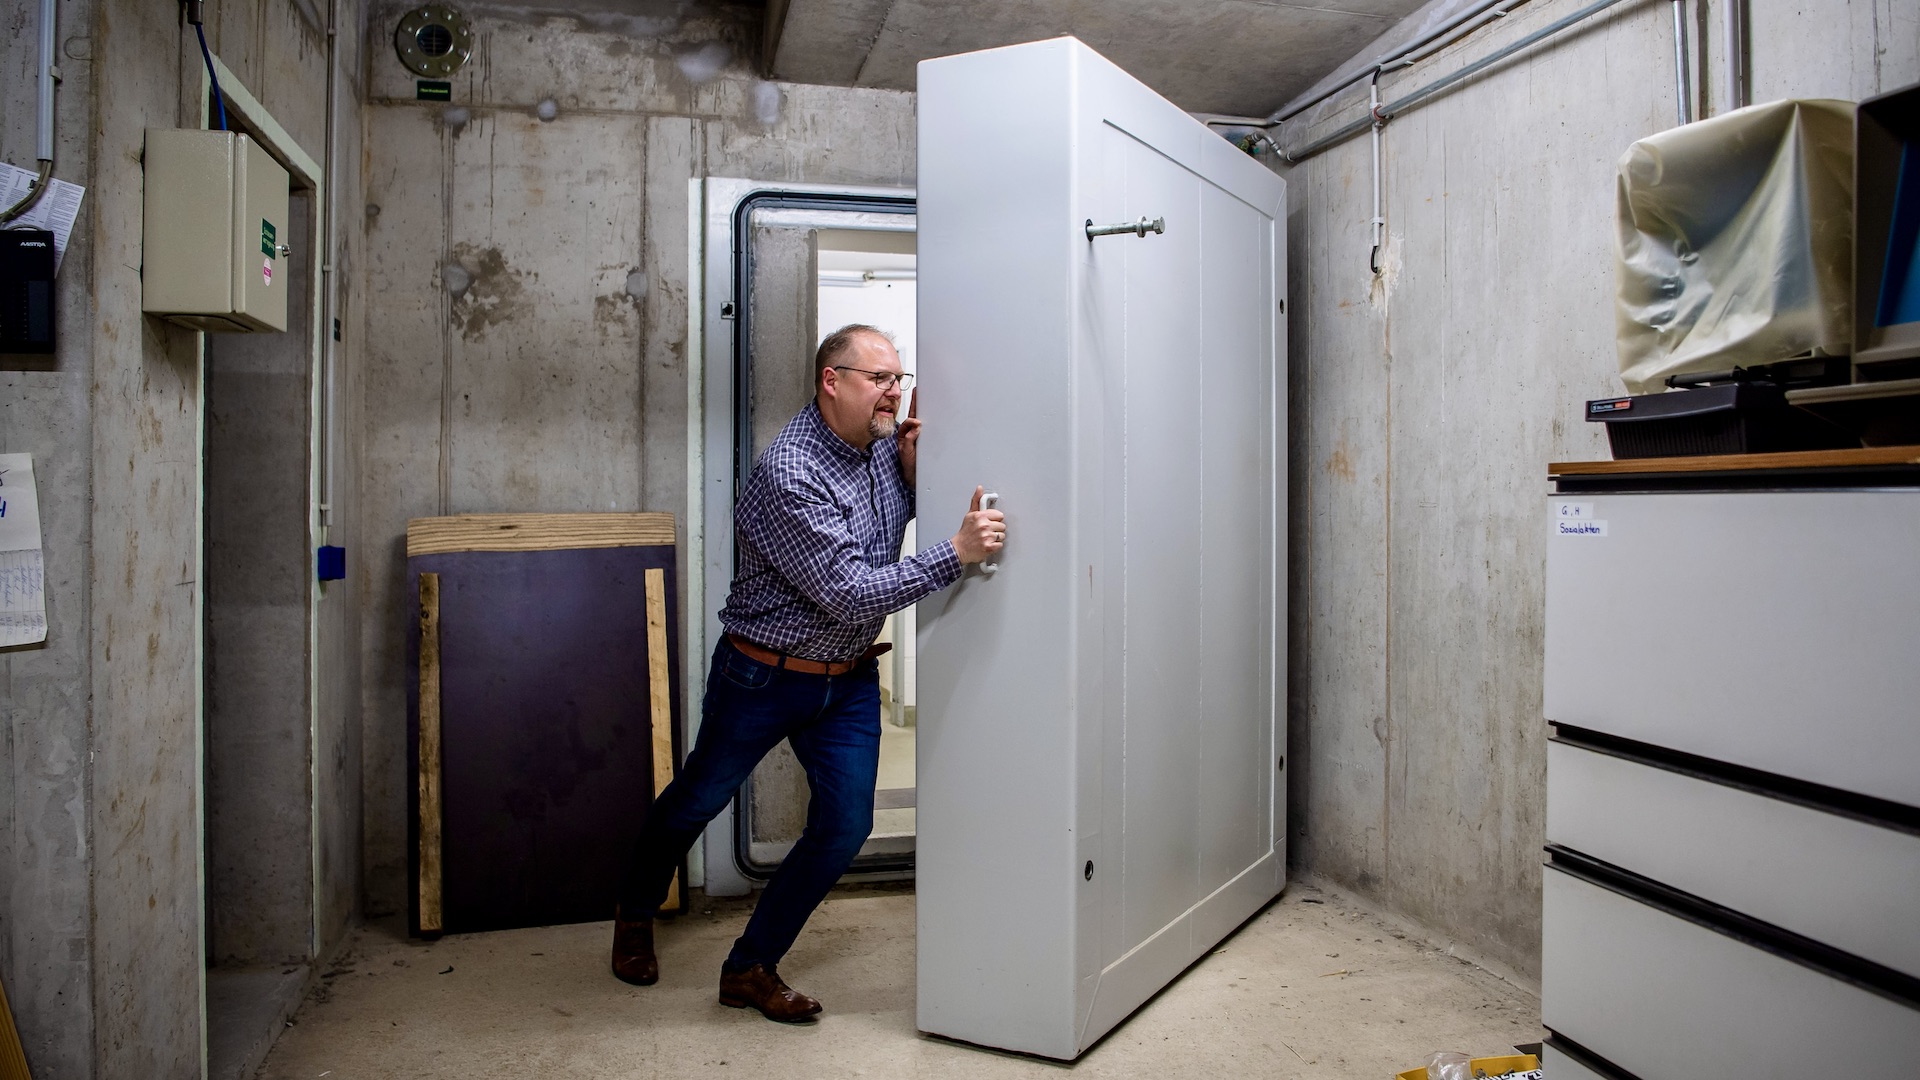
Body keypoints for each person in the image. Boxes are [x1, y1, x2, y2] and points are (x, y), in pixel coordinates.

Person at [611, 323, 1005, 1022]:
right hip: (764, 677)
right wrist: (957, 552)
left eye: (896, 377)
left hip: (848, 678)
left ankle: (750, 968)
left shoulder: (879, 450)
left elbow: (883, 524)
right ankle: (636, 912)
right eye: (880, 379)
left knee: (844, 827)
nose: (894, 393)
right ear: (833, 381)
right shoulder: (790, 472)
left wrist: (914, 476)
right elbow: (852, 587)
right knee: (700, 800)